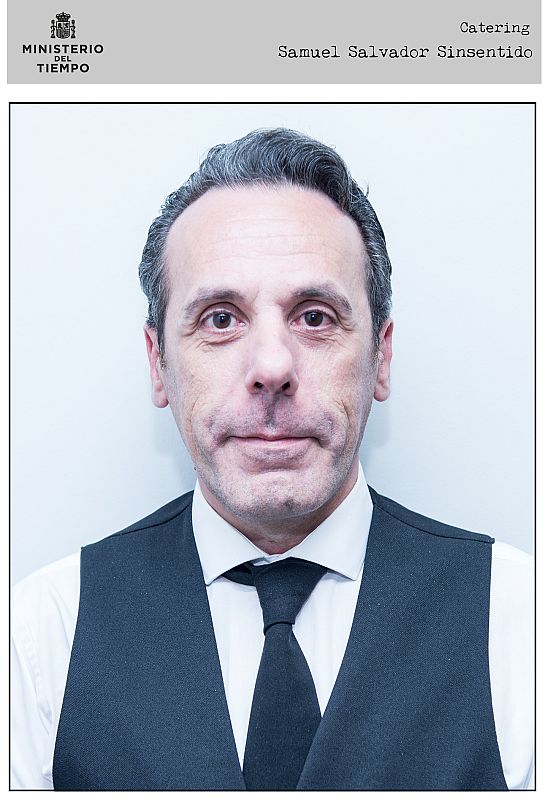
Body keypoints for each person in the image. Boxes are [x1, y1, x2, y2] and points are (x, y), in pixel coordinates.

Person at [11, 128, 533, 790]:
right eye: (220, 319)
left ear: (381, 356)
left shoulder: (518, 624)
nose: (272, 366)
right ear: (158, 364)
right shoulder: (43, 634)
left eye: (315, 317)